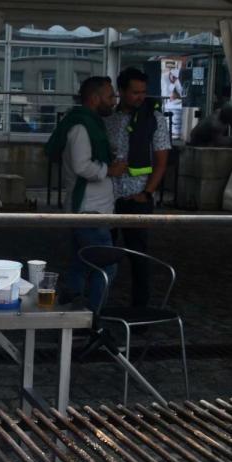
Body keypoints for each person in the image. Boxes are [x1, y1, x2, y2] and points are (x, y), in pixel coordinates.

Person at [105, 67, 170, 308]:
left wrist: (146, 193)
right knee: (103, 254)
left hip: (137, 197)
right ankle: (96, 308)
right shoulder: (109, 120)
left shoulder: (155, 120)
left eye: (143, 92)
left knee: (139, 257)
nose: (140, 97)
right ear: (121, 91)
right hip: (109, 198)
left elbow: (162, 162)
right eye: (135, 92)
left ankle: (141, 311)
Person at [61, 76, 127, 310]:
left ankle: (70, 316)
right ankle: (91, 320)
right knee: (106, 266)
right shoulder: (81, 127)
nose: (114, 100)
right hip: (89, 211)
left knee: (81, 264)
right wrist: (110, 169)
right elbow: (81, 166)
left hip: (92, 209)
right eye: (110, 96)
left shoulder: (90, 124)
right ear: (95, 98)